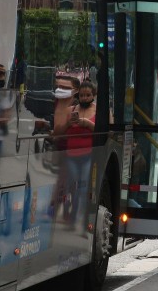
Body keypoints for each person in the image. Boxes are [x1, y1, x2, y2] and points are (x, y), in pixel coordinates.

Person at [62, 81, 97, 228]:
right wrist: (69, 124)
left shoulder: (98, 111)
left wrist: (87, 124)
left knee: (82, 187)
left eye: (88, 95)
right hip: (71, 154)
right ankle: (70, 210)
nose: (84, 98)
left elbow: (106, 132)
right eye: (82, 95)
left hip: (88, 155)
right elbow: (60, 131)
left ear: (93, 95)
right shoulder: (70, 110)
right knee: (73, 185)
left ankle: (77, 217)